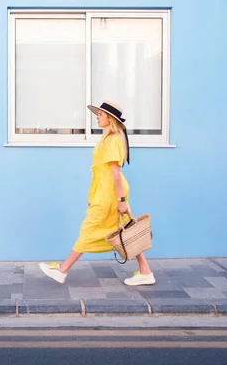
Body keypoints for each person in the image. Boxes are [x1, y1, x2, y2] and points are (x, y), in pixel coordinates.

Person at [39, 101, 155, 286]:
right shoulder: (107, 139)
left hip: (110, 192)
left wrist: (121, 200)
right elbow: (102, 173)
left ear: (110, 118)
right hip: (104, 189)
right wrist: (93, 196)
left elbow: (115, 174)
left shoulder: (113, 140)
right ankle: (145, 271)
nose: (97, 117)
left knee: (90, 228)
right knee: (126, 229)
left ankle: (62, 270)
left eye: (100, 114)